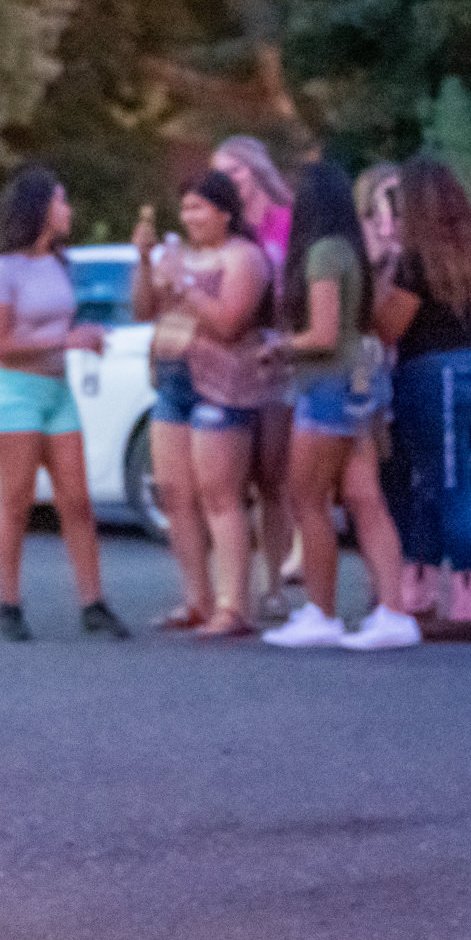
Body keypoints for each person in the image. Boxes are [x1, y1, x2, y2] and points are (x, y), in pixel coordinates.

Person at [262, 159, 418, 650]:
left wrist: (279, 347)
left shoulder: (321, 254)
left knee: (305, 497)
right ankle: (394, 611)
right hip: (361, 379)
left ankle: (321, 611)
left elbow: (324, 333)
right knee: (365, 499)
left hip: (327, 384)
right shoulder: (348, 248)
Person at [0, 166, 125, 644]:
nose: (69, 210)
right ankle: (8, 604)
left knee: (78, 501)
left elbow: (55, 330)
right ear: (39, 208)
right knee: (16, 501)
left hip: (58, 393)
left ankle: (93, 602)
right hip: (15, 395)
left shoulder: (60, 263)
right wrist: (67, 339)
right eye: (61, 201)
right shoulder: (1, 271)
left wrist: (82, 342)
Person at [131, 168, 270, 636]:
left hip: (221, 384)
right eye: (185, 208)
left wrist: (185, 283)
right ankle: (196, 598)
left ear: (224, 212)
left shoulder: (243, 257)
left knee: (220, 495)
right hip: (171, 380)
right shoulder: (178, 256)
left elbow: (230, 323)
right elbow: (143, 309)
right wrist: (146, 261)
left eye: (199, 208)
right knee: (175, 494)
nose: (190, 218)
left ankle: (233, 605)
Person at [373, 157, 471, 642]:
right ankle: (422, 586)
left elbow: (390, 326)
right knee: (446, 480)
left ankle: (468, 595)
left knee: (443, 485)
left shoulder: (417, 260)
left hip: (432, 372)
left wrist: (382, 272)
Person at [210, 134, 299, 616]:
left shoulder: (286, 221)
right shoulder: (227, 229)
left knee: (274, 479)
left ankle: (276, 584)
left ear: (257, 171)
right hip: (234, 359)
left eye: (236, 171)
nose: (229, 182)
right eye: (220, 173)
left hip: (280, 354)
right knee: (231, 480)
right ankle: (233, 588)